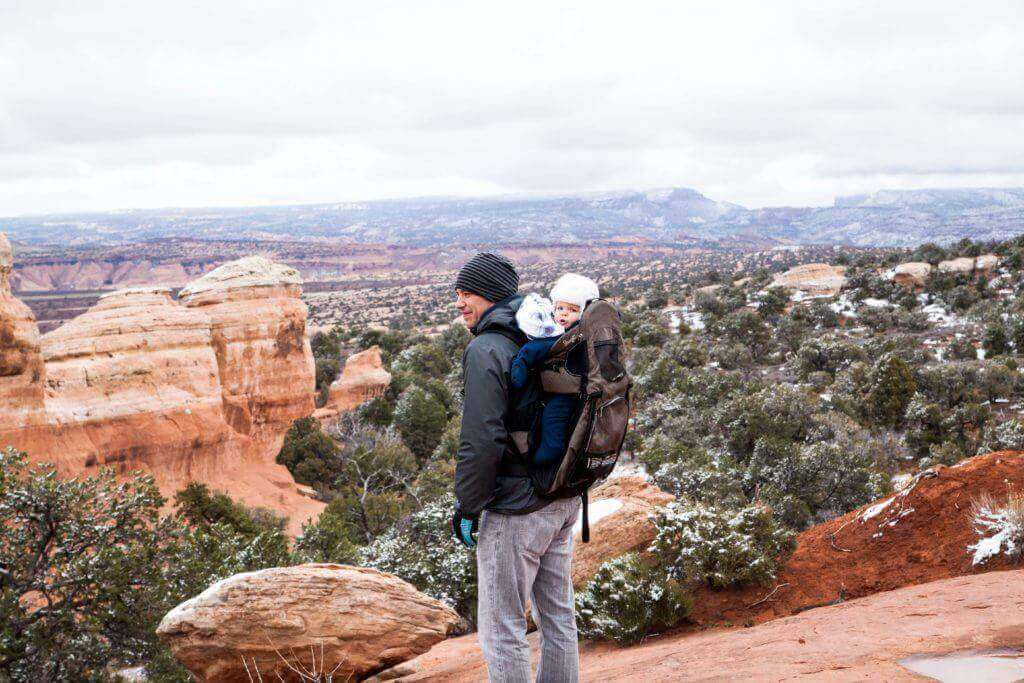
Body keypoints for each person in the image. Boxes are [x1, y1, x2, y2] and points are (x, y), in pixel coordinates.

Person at [451, 252, 581, 683]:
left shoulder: (486, 348)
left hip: (517, 507)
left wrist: (468, 506)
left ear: (488, 294)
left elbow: (481, 438)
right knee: (557, 617)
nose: (459, 302)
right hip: (562, 494)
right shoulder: (541, 329)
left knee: (503, 627)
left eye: (466, 293)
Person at [510, 274, 601, 465]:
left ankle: (548, 455)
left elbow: (543, 348)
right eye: (560, 308)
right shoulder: (581, 332)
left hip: (567, 394)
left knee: (553, 418)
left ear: (584, 312)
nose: (564, 314)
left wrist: (524, 359)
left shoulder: (575, 335)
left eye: (572, 310)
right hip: (571, 390)